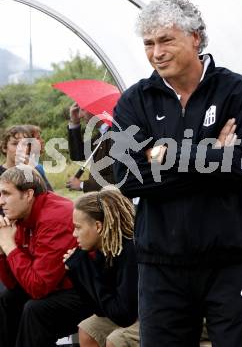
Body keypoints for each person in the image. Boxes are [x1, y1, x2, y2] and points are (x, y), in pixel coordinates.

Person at [112, 0, 242, 347]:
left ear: (195, 37)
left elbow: (240, 164)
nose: (156, 52)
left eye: (166, 40)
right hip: (160, 265)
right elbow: (126, 176)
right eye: (149, 43)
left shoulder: (237, 91)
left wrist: (165, 157)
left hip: (230, 259)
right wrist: (211, 152)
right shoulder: (135, 100)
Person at [0, 166, 91, 347]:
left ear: (28, 194)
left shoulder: (54, 218)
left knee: (36, 310)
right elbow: (14, 283)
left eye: (6, 194)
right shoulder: (23, 216)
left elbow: (38, 288)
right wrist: (2, 253)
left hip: (92, 293)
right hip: (57, 286)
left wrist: (9, 246)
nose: (1, 201)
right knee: (7, 298)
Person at [63, 188, 139, 347]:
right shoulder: (104, 250)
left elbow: (124, 315)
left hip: (168, 312)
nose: (74, 234)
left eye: (78, 227)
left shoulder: (130, 251)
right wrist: (78, 272)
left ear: (98, 226)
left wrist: (86, 269)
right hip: (133, 315)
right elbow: (99, 310)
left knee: (116, 340)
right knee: (88, 329)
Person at [66, 103, 114, 192]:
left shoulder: (115, 136)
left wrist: (82, 185)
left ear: (95, 108)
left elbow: (117, 178)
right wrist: (74, 122)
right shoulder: (101, 135)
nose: (79, 115)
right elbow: (78, 155)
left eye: (82, 109)